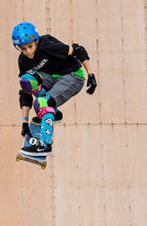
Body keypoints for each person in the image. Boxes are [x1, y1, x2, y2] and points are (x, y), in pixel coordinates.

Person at [12, 21, 97, 157]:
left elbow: (79, 50)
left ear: (36, 41)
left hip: (73, 75)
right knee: (27, 80)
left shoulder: (47, 45)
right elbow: (25, 92)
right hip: (53, 77)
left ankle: (44, 145)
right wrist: (24, 123)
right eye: (23, 49)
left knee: (43, 103)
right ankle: (54, 113)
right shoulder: (23, 61)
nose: (28, 52)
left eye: (30, 46)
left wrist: (91, 75)